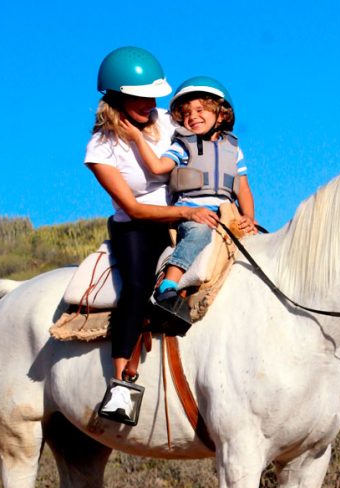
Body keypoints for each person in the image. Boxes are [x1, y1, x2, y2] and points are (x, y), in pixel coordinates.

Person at [85, 47, 218, 422]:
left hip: (184, 215)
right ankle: (119, 386)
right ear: (115, 97)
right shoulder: (100, 149)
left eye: (153, 95)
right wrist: (187, 211)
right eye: (140, 97)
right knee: (138, 284)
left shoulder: (165, 120)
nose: (150, 102)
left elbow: (205, 139)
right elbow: (134, 207)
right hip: (138, 228)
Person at [118, 76, 256, 326]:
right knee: (198, 234)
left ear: (222, 115)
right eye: (187, 113)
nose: (193, 116)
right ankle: (167, 287)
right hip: (192, 212)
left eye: (200, 110)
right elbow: (159, 167)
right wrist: (138, 139)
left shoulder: (234, 149)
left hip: (226, 214)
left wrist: (249, 217)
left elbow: (243, 188)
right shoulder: (183, 146)